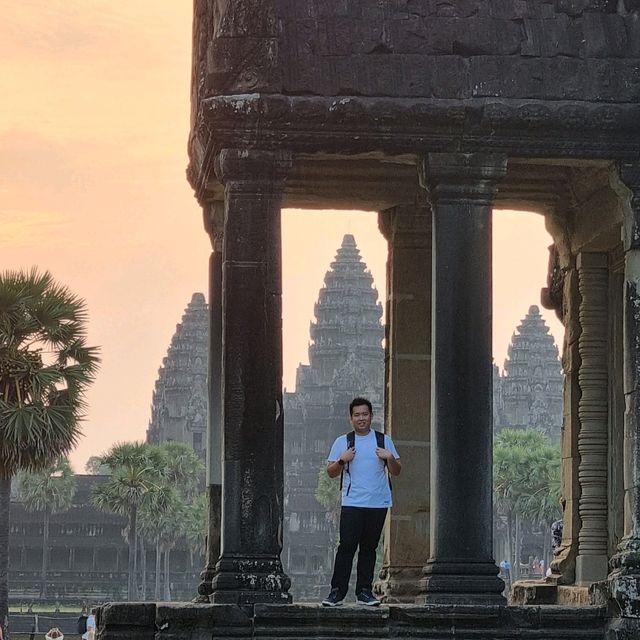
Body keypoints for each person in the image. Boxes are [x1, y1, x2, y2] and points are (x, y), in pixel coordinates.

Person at [321, 397, 401, 607]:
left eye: (365, 414)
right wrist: (342, 460)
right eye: (357, 415)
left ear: (371, 416)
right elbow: (330, 472)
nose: (361, 418)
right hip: (352, 502)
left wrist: (389, 457)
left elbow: (397, 470)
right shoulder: (343, 442)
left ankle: (364, 592)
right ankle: (337, 592)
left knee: (369, 547)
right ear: (351, 418)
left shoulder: (384, 440)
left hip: (378, 502)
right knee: (346, 546)